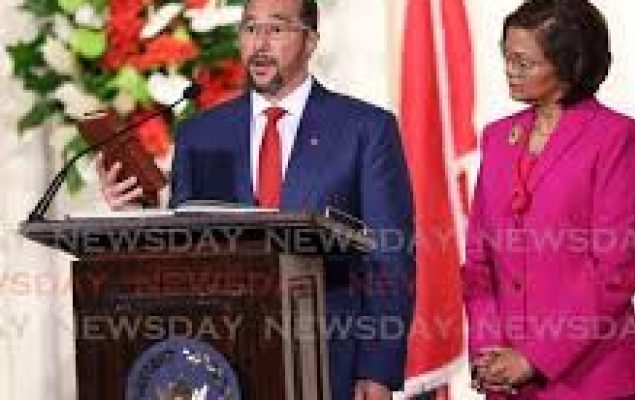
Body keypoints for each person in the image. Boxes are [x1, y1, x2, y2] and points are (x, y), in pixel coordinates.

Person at [97, 0, 414, 399]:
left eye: (276, 29)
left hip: (328, 360)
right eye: (249, 29)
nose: (259, 44)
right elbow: (184, 250)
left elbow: (389, 257)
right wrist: (134, 214)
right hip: (220, 360)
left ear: (311, 40)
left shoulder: (365, 129)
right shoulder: (200, 133)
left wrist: (378, 370)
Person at [463, 0, 635, 399]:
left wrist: (533, 358)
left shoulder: (618, 138)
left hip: (591, 383)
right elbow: (479, 264)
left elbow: (615, 271)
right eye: (506, 57)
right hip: (507, 384)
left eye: (524, 62)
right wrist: (488, 353)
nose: (509, 71)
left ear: (569, 66)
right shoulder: (498, 138)